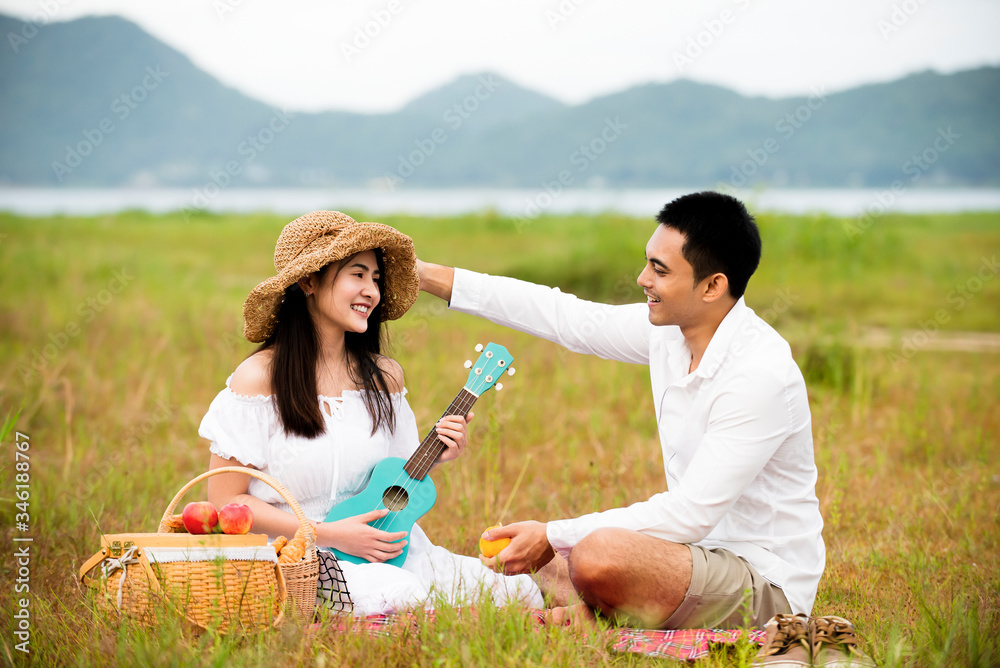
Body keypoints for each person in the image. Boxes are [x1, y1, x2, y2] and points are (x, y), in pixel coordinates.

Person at [417, 192, 825, 630]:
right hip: (685, 558)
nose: (642, 278)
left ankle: (598, 615)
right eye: (647, 262)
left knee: (595, 555)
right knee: (539, 555)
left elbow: (689, 514)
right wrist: (425, 276)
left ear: (712, 286)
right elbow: (564, 317)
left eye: (659, 270)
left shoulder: (759, 373)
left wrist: (553, 534)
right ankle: (604, 611)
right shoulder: (672, 331)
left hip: (763, 583)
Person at [199, 210, 543, 616]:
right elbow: (226, 503)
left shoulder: (384, 377)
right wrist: (331, 534)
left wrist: (438, 454)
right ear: (309, 280)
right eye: (357, 275)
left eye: (375, 279)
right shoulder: (259, 378)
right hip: (297, 555)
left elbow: (396, 476)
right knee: (401, 597)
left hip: (383, 547)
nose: (371, 291)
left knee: (518, 593)